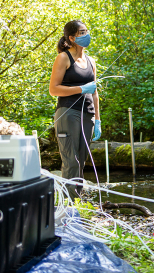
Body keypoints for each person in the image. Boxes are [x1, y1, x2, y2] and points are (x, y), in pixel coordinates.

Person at [49, 20, 102, 200]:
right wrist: (80, 89)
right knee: (71, 161)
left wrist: (97, 119)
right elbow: (53, 89)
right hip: (68, 113)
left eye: (87, 31)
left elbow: (94, 93)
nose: (86, 35)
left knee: (81, 160)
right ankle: (68, 206)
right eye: (81, 32)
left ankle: (76, 201)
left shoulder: (91, 61)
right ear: (71, 38)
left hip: (87, 114)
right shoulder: (64, 57)